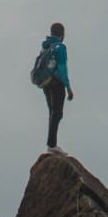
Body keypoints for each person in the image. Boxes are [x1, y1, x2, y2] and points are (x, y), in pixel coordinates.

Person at [41, 22, 74, 154]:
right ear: (62, 34)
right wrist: (68, 87)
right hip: (56, 83)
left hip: (46, 82)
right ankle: (52, 145)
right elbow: (62, 68)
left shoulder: (45, 45)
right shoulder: (60, 47)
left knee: (52, 112)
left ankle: (51, 145)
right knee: (58, 113)